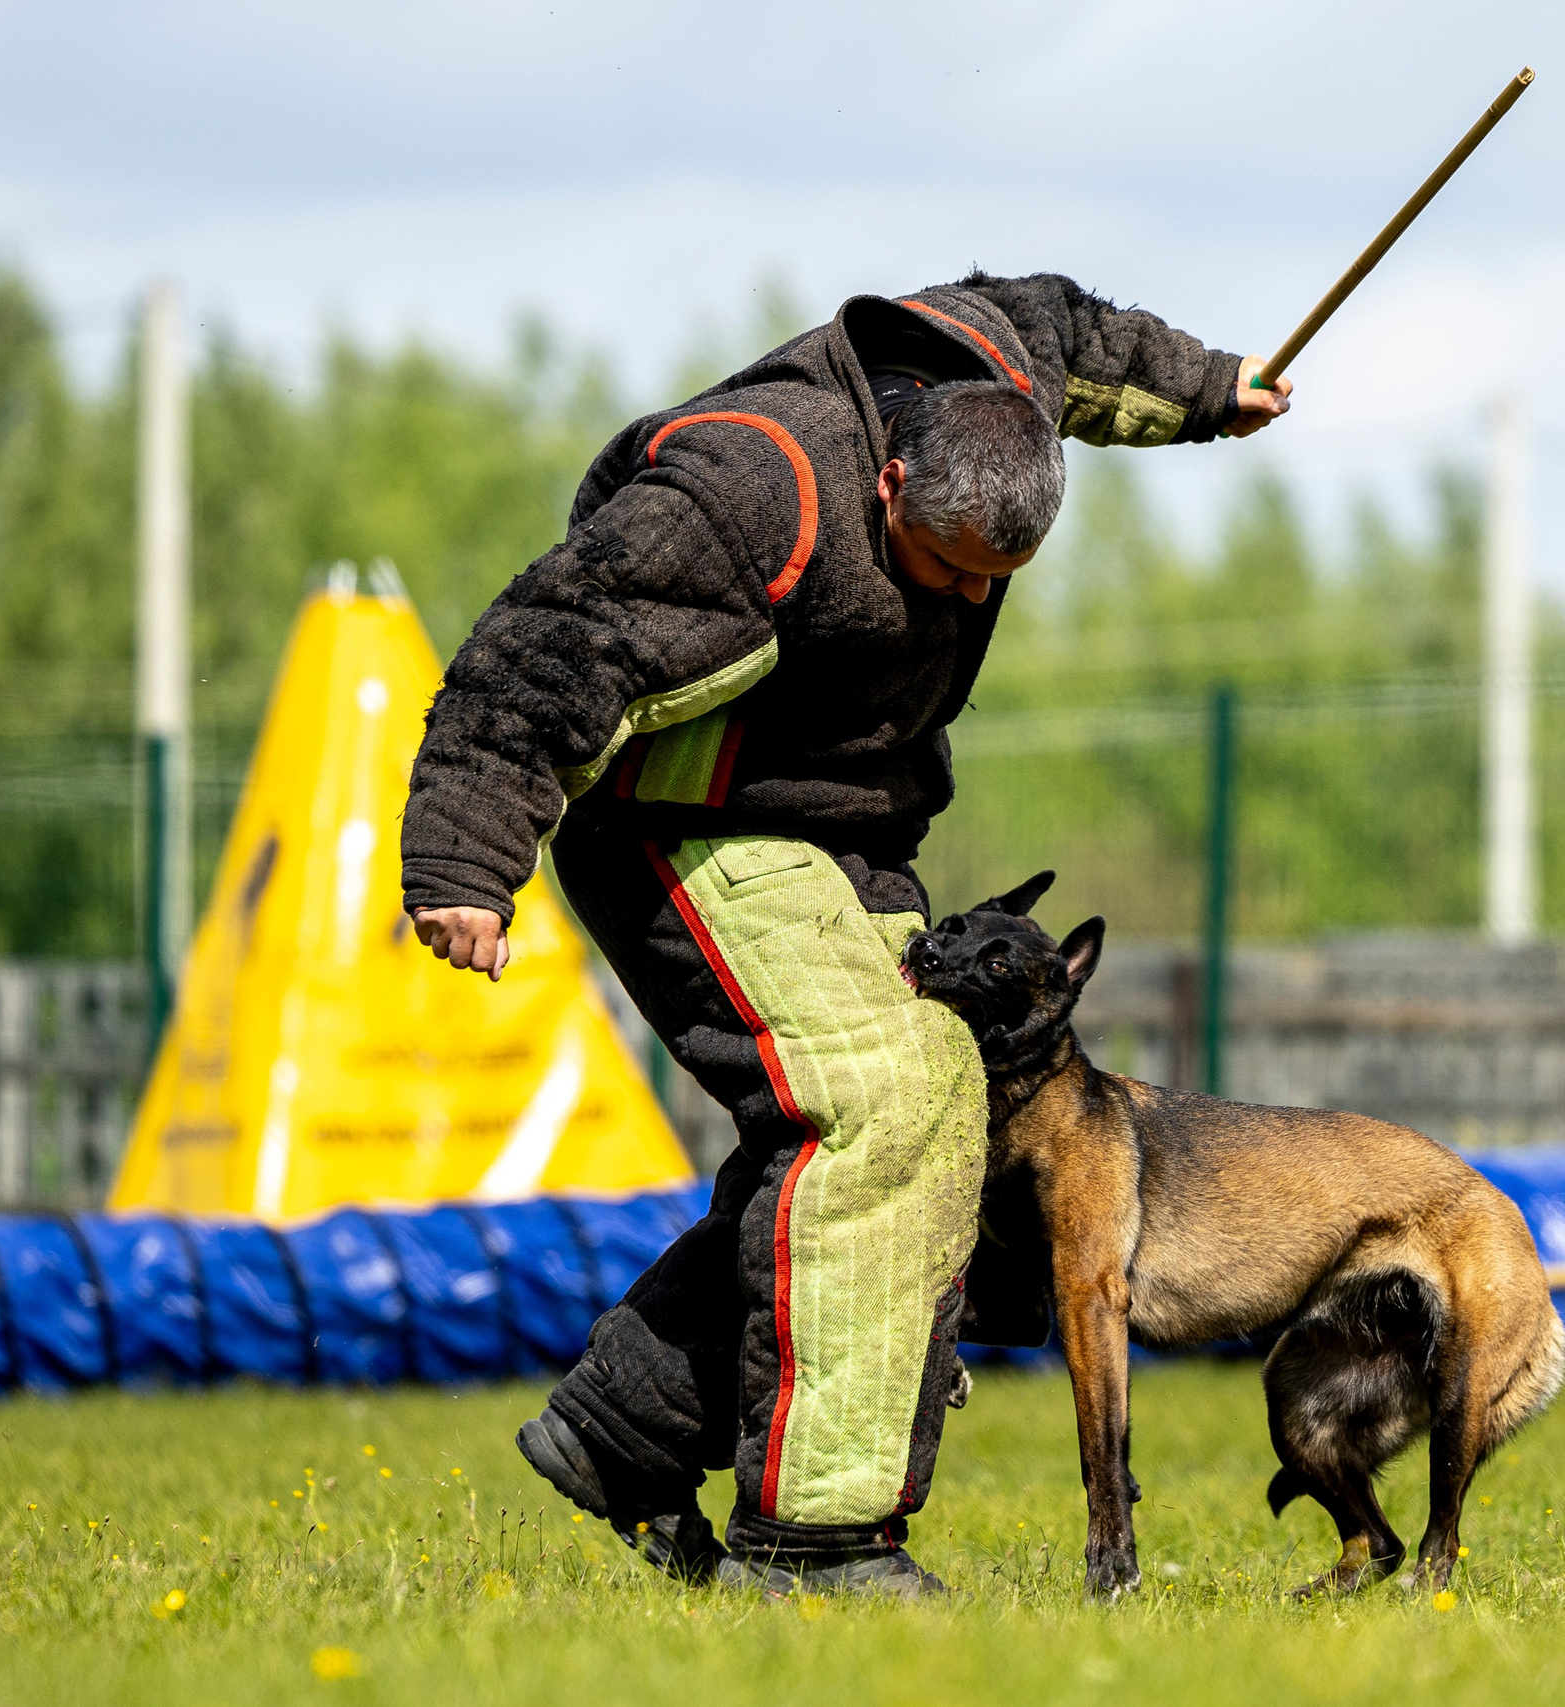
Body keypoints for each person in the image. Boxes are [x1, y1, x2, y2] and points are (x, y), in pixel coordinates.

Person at [401, 272, 1289, 1598]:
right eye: (943, 567)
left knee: (956, 1108)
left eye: (995, 581)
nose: (963, 601)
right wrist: (469, 857)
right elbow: (546, 649)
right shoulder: (746, 496)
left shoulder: (999, 383)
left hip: (847, 836)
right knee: (878, 1100)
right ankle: (813, 1546)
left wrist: (1205, 390)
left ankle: (626, 1433)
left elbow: (1065, 326)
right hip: (681, 821)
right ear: (889, 487)